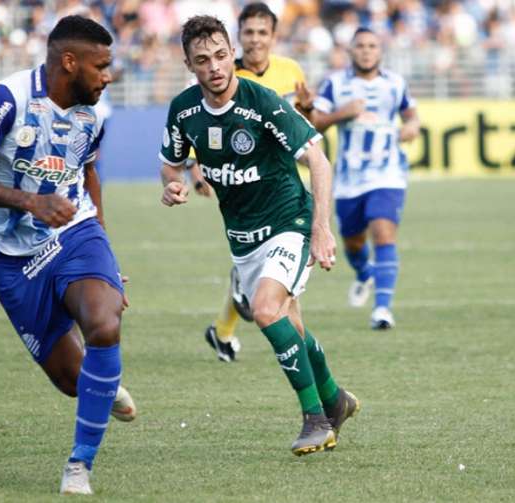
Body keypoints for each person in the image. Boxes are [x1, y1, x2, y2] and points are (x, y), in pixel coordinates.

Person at [0, 16, 136, 495]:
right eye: (101, 66)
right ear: (69, 62)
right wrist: (31, 202)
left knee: (104, 323)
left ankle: (79, 465)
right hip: (12, 254)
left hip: (75, 231)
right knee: (74, 382)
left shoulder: (93, 112)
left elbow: (89, 173)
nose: (107, 76)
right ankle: (102, 387)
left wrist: (107, 250)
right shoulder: (5, 100)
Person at [160, 15, 359, 456]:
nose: (213, 66)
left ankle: (315, 420)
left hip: (291, 221)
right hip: (243, 237)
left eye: (219, 55)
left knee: (267, 311)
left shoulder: (263, 101)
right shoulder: (184, 111)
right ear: (189, 64)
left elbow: (319, 161)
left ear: (231, 53)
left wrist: (322, 229)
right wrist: (171, 184)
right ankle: (335, 399)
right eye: (201, 60)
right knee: (292, 326)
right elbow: (171, 162)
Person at [196, 2, 317, 363]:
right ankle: (316, 380)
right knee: (277, 288)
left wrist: (309, 109)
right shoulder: (225, 76)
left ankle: (225, 329)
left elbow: (305, 126)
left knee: (282, 289)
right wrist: (194, 167)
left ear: (273, 36)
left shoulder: (289, 70)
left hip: (285, 183)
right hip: (243, 187)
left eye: (262, 32)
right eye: (248, 32)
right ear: (238, 38)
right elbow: (201, 125)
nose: (255, 39)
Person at [311, 27, 420, 330]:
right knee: (353, 241)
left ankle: (382, 310)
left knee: (383, 232)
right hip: (348, 178)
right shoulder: (335, 84)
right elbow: (314, 124)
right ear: (351, 51)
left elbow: (411, 115)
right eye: (360, 46)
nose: (367, 50)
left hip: (388, 173)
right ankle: (364, 274)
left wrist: (412, 127)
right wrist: (341, 114)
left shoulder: (395, 84)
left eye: (372, 45)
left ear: (380, 51)